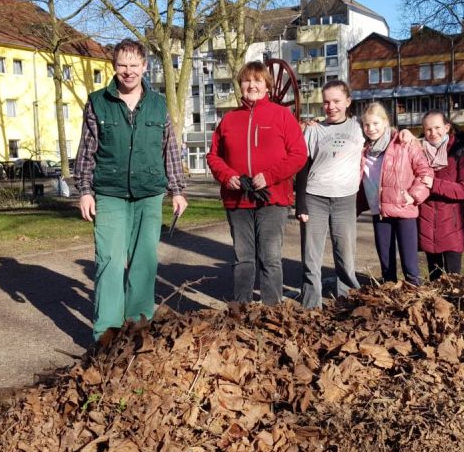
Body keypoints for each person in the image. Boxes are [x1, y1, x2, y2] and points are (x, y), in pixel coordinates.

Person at [74, 38, 188, 345]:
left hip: (149, 193)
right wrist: (84, 190)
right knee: (109, 261)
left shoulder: (159, 103)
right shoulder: (98, 102)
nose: (128, 72)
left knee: (144, 262)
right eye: (122, 65)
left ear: (144, 67)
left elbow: (170, 151)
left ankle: (139, 329)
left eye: (134, 65)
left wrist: (177, 190)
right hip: (109, 193)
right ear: (114, 67)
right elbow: (86, 152)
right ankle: (106, 335)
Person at [207, 61, 307, 305]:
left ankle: (271, 311)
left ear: (267, 86)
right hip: (237, 199)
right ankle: (241, 308)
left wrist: (270, 176)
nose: (251, 85)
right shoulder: (229, 120)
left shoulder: (282, 115)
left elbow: (299, 154)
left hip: (272, 199)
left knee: (270, 257)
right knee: (243, 258)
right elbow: (213, 156)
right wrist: (227, 176)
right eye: (246, 81)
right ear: (240, 85)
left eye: (257, 81)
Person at [295, 80, 365, 309]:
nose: (331, 106)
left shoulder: (358, 127)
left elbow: (383, 134)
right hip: (315, 197)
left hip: (345, 200)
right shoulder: (314, 130)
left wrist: (403, 132)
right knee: (311, 256)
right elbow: (302, 167)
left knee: (345, 255)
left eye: (336, 101)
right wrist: (301, 203)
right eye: (326, 102)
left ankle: (346, 301)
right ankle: (310, 305)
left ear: (348, 101)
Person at [359, 103, 432, 286]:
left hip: (404, 210)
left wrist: (413, 195)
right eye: (367, 125)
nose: (371, 129)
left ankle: (415, 303)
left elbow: (425, 173)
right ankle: (389, 304)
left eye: (375, 123)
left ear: (385, 122)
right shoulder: (363, 150)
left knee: (410, 267)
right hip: (379, 212)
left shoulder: (404, 143)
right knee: (387, 268)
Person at [416, 110, 464, 279]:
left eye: (437, 127)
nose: (433, 133)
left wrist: (435, 184)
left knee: (453, 282)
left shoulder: (458, 153)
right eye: (428, 129)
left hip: (452, 229)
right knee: (435, 281)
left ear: (447, 127)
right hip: (427, 226)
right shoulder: (417, 151)